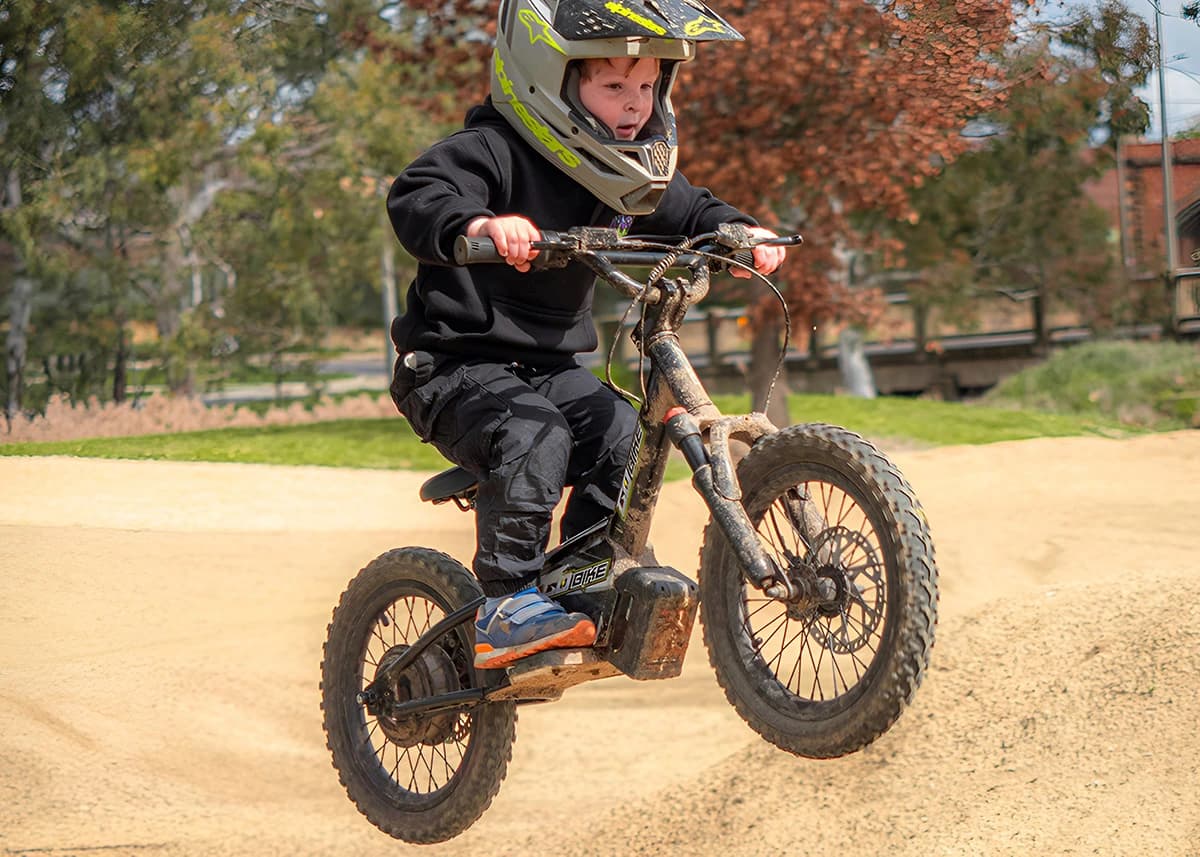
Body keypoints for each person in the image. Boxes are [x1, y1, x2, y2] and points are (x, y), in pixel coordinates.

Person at [386, 0, 787, 670]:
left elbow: (691, 209)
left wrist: (743, 231)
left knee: (626, 436)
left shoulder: (622, 176)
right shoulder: (492, 150)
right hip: (451, 367)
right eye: (614, 85)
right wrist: (480, 226)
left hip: (548, 369)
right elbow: (419, 195)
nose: (635, 103)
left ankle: (581, 582)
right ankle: (508, 604)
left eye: (648, 86)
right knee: (533, 433)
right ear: (553, 81)